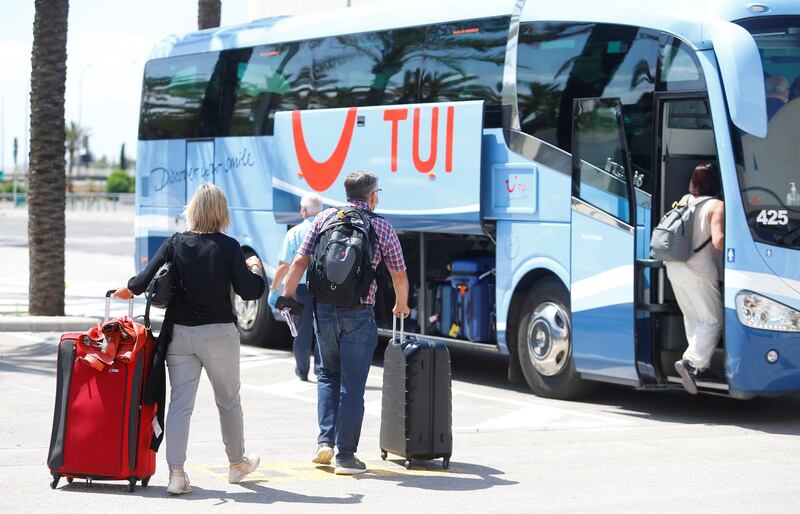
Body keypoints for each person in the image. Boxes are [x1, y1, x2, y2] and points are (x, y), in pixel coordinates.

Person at [114, 183, 265, 495]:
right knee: (228, 401)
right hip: (219, 335)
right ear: (222, 212)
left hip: (179, 335)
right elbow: (251, 291)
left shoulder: (175, 243)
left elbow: (142, 282)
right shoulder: (230, 247)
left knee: (181, 404)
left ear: (192, 210)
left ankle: (177, 474)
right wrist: (255, 267)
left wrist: (127, 287)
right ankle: (237, 464)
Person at [281, 170, 410, 475]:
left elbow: (300, 260)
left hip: (324, 310)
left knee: (327, 375)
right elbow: (399, 274)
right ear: (373, 196)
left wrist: (288, 295)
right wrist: (400, 304)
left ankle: (324, 442)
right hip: (359, 313)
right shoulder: (381, 227)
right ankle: (346, 457)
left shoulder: (324, 219)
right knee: (353, 385)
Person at [666, 163, 725, 395]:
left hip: (674, 265)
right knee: (713, 320)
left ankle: (702, 367)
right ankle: (691, 362)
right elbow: (718, 240)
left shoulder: (684, 200)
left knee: (694, 317)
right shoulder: (715, 205)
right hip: (699, 269)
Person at [269, 192, 323, 381]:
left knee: (301, 330)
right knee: (322, 330)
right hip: (324, 288)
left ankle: (302, 370)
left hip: (300, 290)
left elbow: (284, 265)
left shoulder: (295, 232)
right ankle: (321, 369)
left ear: (303, 211)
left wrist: (274, 289)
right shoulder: (327, 230)